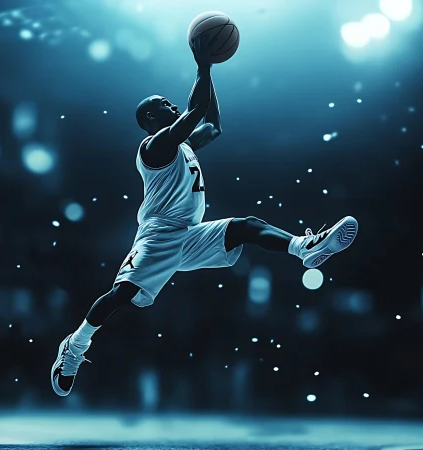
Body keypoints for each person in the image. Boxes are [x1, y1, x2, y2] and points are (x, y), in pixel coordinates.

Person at [50, 33, 358, 397]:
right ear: (151, 117)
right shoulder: (154, 146)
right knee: (122, 293)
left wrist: (208, 72)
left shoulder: (182, 144)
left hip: (191, 232)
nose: (171, 104)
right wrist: (203, 64)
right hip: (159, 234)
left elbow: (212, 125)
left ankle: (304, 247)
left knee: (247, 226)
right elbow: (195, 112)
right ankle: (75, 346)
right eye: (164, 103)